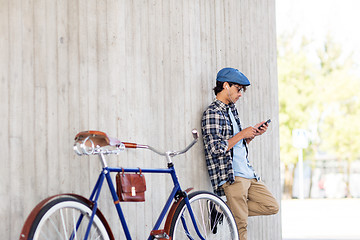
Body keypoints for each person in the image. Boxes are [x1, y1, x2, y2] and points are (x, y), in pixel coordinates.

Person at [201, 67, 279, 240]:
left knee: (271, 206)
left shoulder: (232, 110)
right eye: (238, 89)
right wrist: (242, 134)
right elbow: (215, 148)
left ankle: (222, 208)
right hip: (232, 176)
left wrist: (250, 136)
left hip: (248, 173)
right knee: (241, 225)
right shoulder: (212, 113)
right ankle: (227, 208)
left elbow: (235, 146)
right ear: (226, 86)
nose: (240, 94)